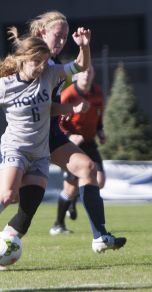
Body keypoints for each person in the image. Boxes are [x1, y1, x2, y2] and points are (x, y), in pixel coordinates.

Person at [0, 11, 126, 263]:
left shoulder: (50, 68)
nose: (62, 41)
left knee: (81, 171)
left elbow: (51, 98)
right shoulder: (27, 72)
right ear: (42, 34)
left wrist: (69, 105)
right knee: (8, 194)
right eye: (58, 35)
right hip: (24, 142)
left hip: (46, 138)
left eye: (65, 36)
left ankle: (98, 236)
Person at [49, 63, 107, 235]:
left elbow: (98, 114)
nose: (86, 75)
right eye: (82, 72)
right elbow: (56, 120)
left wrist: (100, 131)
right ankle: (58, 225)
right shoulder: (68, 95)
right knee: (71, 189)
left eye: (89, 71)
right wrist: (68, 136)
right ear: (76, 75)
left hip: (89, 144)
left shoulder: (98, 92)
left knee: (100, 181)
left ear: (94, 74)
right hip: (70, 147)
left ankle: (79, 207)